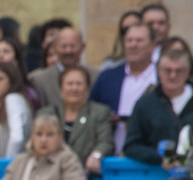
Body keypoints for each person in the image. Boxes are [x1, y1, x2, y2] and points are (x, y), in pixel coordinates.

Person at [90, 23, 156, 153]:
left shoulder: (163, 77)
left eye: (139, 40)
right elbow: (90, 110)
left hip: (153, 158)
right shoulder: (107, 77)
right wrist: (105, 118)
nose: (133, 45)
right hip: (112, 158)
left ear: (153, 45)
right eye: (129, 40)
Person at [124, 48, 193, 164]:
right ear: (159, 71)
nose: (172, 75)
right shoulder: (145, 104)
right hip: (155, 177)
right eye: (168, 70)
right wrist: (160, 158)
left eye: (178, 71)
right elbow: (131, 146)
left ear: (188, 72)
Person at [28, 27, 98, 111]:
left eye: (73, 46)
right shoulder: (39, 80)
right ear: (55, 47)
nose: (68, 51)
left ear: (83, 47)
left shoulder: (96, 76)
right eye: (63, 46)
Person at [0, 62, 32, 158]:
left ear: (12, 81)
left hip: (15, 167)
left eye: (0, 79)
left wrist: (8, 164)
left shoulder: (13, 99)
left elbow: (17, 138)